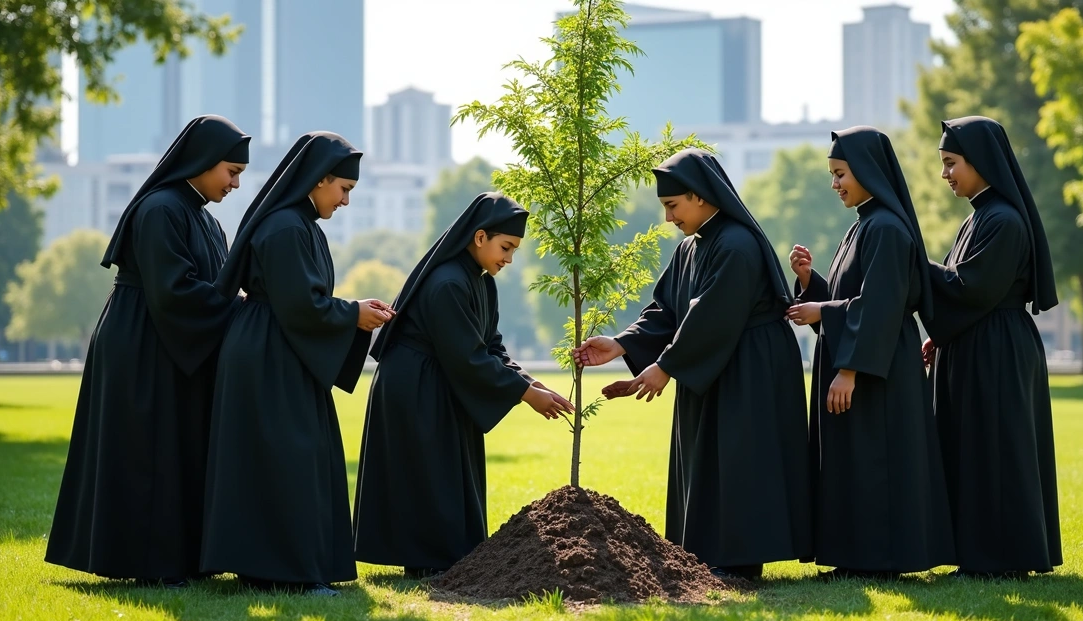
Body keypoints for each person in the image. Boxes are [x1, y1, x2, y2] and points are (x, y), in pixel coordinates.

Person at [573, 148, 811, 580]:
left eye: (672, 206)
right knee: (710, 457)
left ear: (699, 197)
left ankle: (740, 559)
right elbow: (667, 309)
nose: (668, 218)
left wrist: (666, 365)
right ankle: (709, 554)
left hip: (751, 366)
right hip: (715, 362)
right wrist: (623, 344)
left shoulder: (736, 245)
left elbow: (713, 316)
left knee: (741, 458)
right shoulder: (690, 248)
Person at [45, 115, 250, 588]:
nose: (236, 184)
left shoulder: (203, 217)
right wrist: (241, 311)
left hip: (172, 340)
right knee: (147, 451)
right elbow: (175, 291)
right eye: (230, 172)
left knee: (177, 448)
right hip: (143, 342)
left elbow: (211, 288)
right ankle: (149, 564)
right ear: (201, 162)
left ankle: (180, 559)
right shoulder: (160, 209)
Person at [201, 132, 392, 596]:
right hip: (271, 351)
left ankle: (270, 568)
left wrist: (352, 310)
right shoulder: (287, 227)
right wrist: (353, 314)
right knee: (288, 459)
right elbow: (302, 306)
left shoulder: (297, 224)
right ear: (320, 177)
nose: (346, 200)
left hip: (273, 348)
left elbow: (305, 300)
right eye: (343, 189)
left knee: (275, 459)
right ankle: (289, 573)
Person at [353, 193, 574, 579]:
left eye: (514, 250)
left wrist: (528, 380)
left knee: (446, 469)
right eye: (505, 247)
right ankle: (426, 560)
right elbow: (469, 357)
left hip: (441, 380)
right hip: (416, 385)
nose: (508, 258)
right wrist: (526, 395)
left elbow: (490, 345)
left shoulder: (481, 283)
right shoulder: (448, 283)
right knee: (426, 471)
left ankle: (446, 555)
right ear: (479, 238)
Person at [788, 127, 954, 579]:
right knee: (856, 463)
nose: (835, 183)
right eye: (832, 175)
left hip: (876, 372)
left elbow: (880, 305)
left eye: (840, 173)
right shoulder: (866, 223)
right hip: (866, 361)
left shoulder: (885, 227)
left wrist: (849, 370)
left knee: (876, 463)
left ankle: (878, 560)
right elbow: (850, 298)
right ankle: (856, 556)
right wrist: (811, 283)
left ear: (865, 171)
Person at [922, 116, 1061, 578]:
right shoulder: (982, 215)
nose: (945, 174)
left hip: (997, 348)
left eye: (951, 163)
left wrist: (912, 262)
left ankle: (1002, 557)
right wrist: (937, 335)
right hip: (978, 343)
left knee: (997, 449)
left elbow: (970, 289)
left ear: (979, 161)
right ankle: (979, 552)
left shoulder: (1002, 220)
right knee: (974, 448)